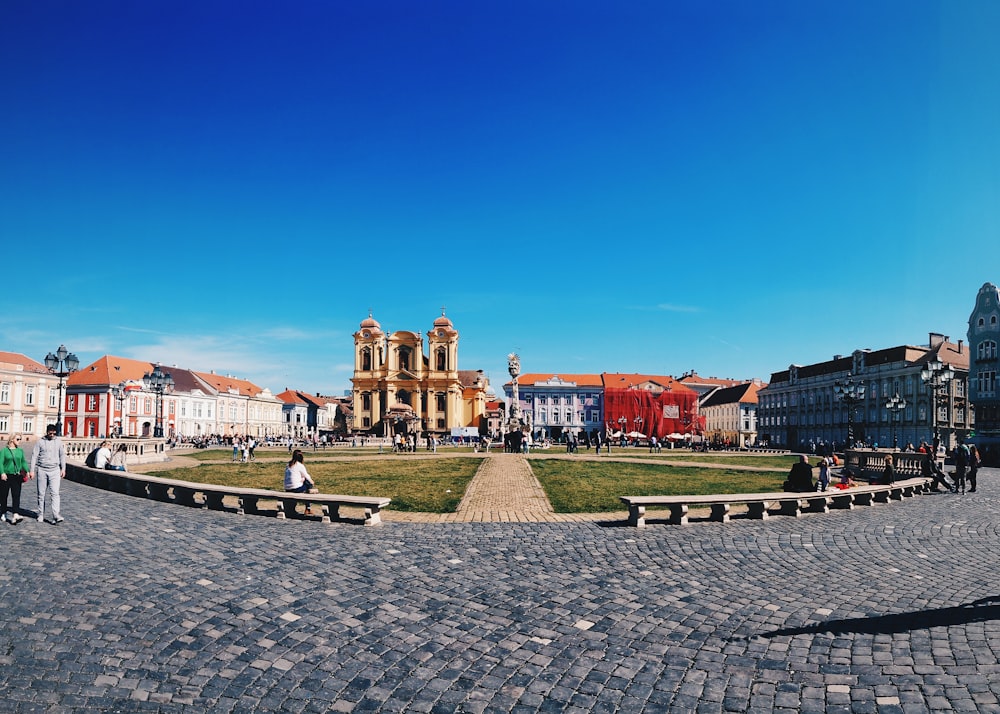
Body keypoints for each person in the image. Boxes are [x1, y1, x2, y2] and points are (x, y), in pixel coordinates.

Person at [32, 424, 66, 524]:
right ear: (47, 432)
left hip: (55, 470)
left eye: (53, 432)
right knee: (41, 494)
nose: (52, 434)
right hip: (42, 470)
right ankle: (41, 514)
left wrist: (63, 469)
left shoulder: (58, 441)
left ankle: (56, 515)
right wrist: (32, 470)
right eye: (50, 432)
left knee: (55, 493)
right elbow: (34, 456)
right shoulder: (40, 442)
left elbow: (62, 455)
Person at [0, 434, 32, 524]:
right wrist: (2, 472)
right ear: (12, 440)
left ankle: (15, 514)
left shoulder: (20, 451)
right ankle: (3, 512)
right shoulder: (4, 451)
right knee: (3, 495)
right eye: (18, 439)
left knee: (16, 495)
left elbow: (23, 462)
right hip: (6, 476)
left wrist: (27, 471)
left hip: (16, 476)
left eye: (20, 439)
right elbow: (0, 463)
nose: (19, 441)